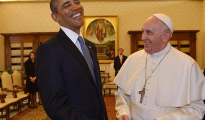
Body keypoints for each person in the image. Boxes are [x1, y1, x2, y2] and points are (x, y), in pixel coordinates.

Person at [114, 13, 205, 120]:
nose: (142, 37)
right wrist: (123, 111)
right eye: (142, 31)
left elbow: (196, 110)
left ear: (166, 36)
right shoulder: (133, 59)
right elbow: (122, 94)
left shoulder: (188, 65)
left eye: (149, 32)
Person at [35, 0, 108, 119]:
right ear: (55, 17)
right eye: (67, 5)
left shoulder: (90, 46)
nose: (75, 7)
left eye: (77, 2)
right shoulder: (49, 50)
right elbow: (54, 105)